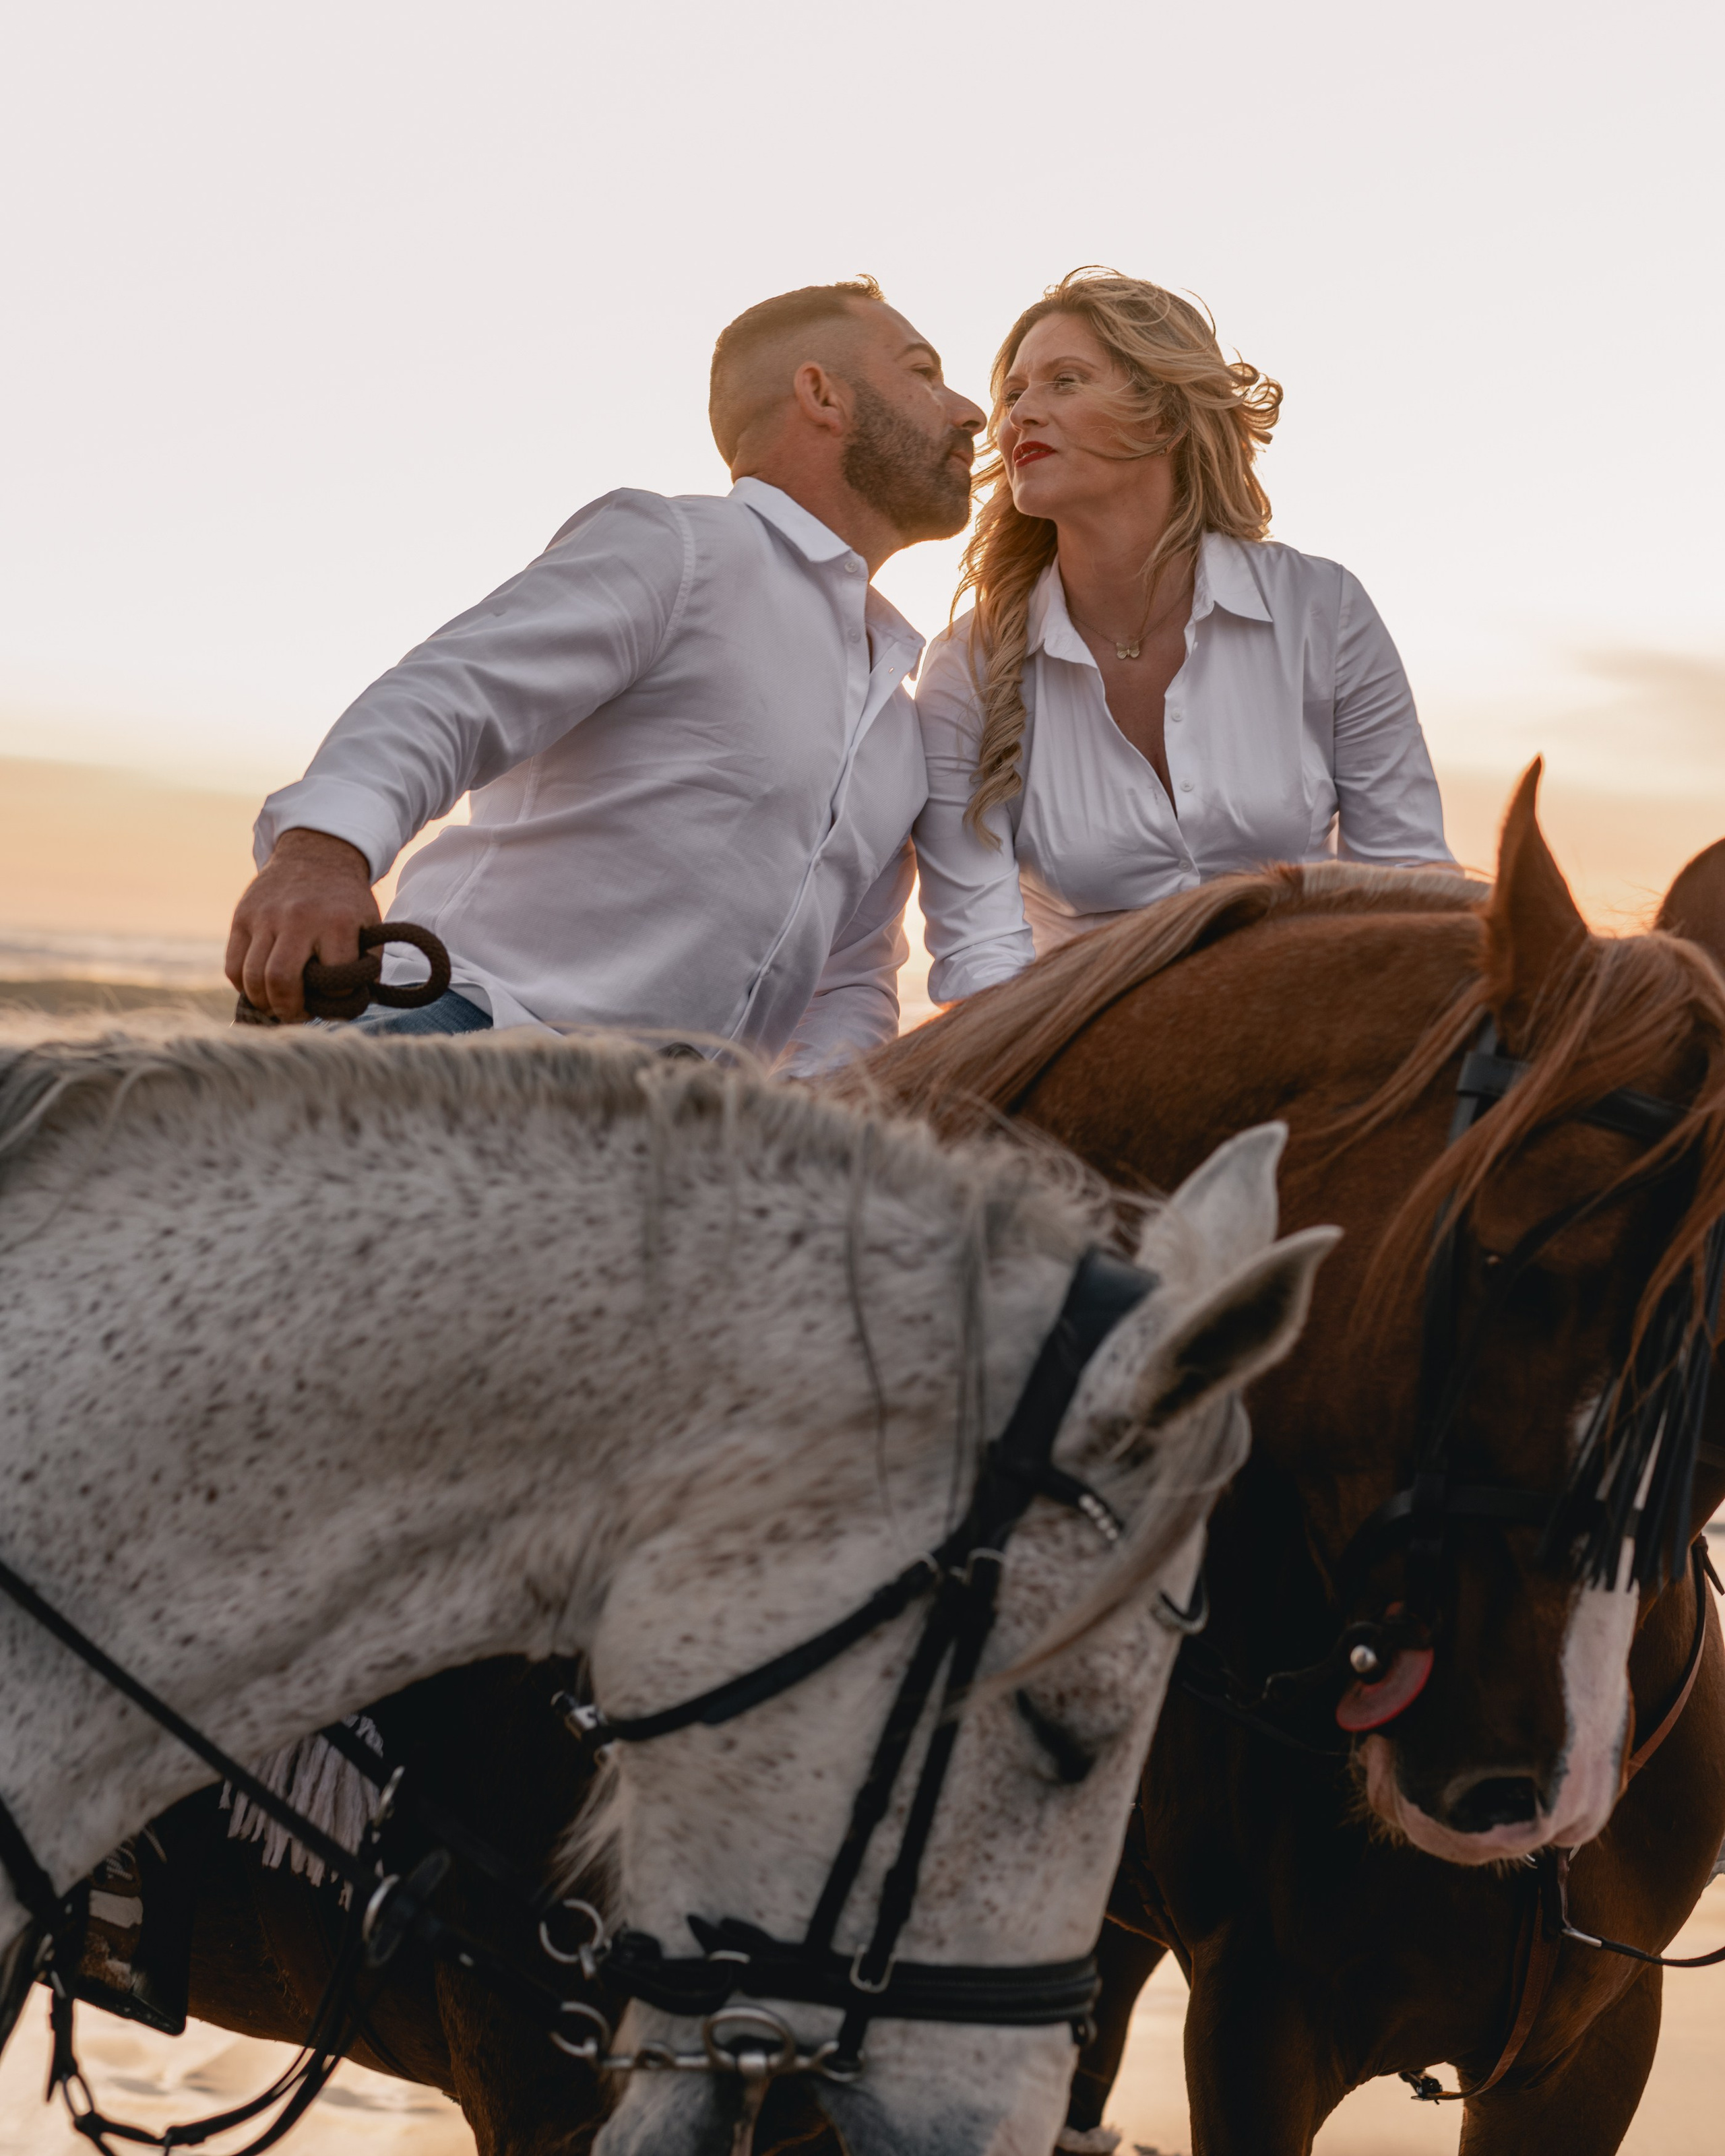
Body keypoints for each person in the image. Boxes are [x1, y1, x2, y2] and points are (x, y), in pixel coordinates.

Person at [226, 278, 984, 1072]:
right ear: (821, 393)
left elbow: (851, 977)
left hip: (681, 1136)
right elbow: (450, 698)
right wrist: (319, 853)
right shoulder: (683, 547)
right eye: (923, 372)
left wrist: (809, 1108)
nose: (969, 412)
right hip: (465, 1043)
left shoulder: (898, 722)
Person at [912, 270, 1454, 1003]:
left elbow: (1407, 877)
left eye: (1064, 382)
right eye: (1014, 395)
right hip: (1074, 1063)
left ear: (1164, 416)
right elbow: (980, 951)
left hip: (1314, 1041)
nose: (1018, 417)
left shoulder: (1321, 610)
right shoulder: (964, 667)